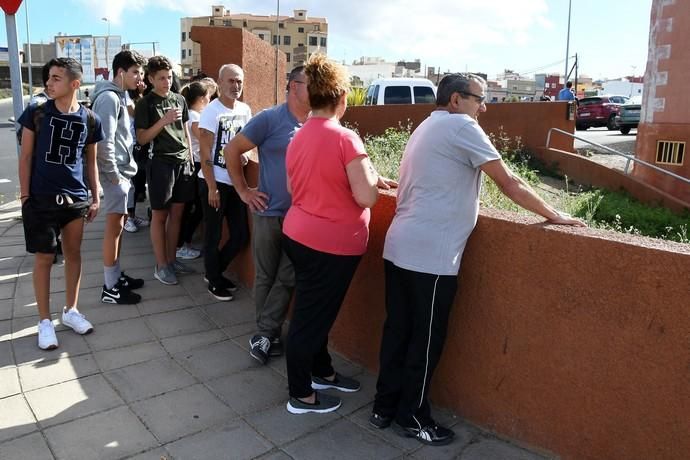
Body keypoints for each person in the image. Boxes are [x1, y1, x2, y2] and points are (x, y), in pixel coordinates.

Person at [371, 73, 586, 445]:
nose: (483, 107)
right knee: (425, 340)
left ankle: (383, 408)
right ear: (456, 100)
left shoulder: (426, 126)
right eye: (479, 99)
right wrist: (555, 214)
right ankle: (412, 417)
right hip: (431, 256)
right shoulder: (461, 127)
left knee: (398, 331)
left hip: (400, 247)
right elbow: (509, 182)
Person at [280, 54, 396, 414]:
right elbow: (366, 196)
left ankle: (321, 372)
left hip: (299, 234)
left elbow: (292, 186)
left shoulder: (297, 136)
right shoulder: (346, 138)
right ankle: (301, 395)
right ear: (341, 97)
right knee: (310, 320)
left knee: (314, 313)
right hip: (329, 245)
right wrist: (371, 178)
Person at [225, 66, 310, 364]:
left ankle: (264, 333)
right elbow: (231, 150)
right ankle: (267, 335)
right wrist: (244, 191)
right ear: (294, 87)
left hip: (302, 218)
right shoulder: (270, 119)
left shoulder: (316, 123)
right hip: (268, 212)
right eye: (311, 84)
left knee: (288, 276)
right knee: (265, 276)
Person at [17, 57, 104, 350]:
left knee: (73, 254)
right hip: (41, 199)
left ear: (74, 84)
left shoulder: (90, 119)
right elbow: (26, 157)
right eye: (49, 77)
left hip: (76, 200)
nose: (49, 82)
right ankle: (44, 321)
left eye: (56, 78)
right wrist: (25, 197)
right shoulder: (37, 112)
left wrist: (95, 195)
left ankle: (71, 311)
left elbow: (91, 161)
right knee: (43, 258)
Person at [91, 50, 148, 305]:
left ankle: (115, 276)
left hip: (124, 171)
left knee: (120, 227)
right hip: (116, 175)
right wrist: (113, 176)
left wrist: (137, 92)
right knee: (114, 230)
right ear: (120, 72)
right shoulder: (109, 99)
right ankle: (110, 288)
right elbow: (105, 141)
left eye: (141, 73)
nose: (139, 77)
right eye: (135, 72)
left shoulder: (121, 95)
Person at [135, 55, 195, 285]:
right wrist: (163, 121)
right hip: (160, 163)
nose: (166, 82)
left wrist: (189, 155)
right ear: (150, 79)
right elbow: (141, 138)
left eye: (169, 77)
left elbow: (186, 130)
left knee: (178, 214)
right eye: (161, 78)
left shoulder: (179, 99)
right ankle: (161, 266)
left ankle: (171, 260)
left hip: (182, 162)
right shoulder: (146, 103)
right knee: (160, 215)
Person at [198, 65, 251, 301]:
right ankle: (214, 281)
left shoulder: (245, 109)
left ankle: (213, 271)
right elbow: (205, 151)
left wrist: (245, 154)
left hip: (236, 182)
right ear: (220, 82)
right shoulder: (212, 112)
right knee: (213, 234)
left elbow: (243, 142)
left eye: (239, 81)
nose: (235, 86)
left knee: (240, 234)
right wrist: (211, 187)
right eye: (230, 81)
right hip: (214, 182)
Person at [176, 79, 217, 260]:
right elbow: (205, 138)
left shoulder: (195, 115)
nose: (210, 99)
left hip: (199, 164)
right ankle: (181, 243)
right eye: (208, 95)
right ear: (201, 98)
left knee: (196, 209)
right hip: (198, 165)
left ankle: (183, 242)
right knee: (195, 209)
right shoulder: (194, 117)